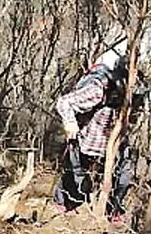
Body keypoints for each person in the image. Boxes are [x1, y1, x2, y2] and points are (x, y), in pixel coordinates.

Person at [52, 56, 139, 222]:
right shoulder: (98, 89)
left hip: (114, 139)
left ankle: (114, 209)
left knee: (124, 171)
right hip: (89, 136)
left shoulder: (134, 92)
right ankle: (61, 202)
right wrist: (70, 125)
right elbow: (64, 103)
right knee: (76, 170)